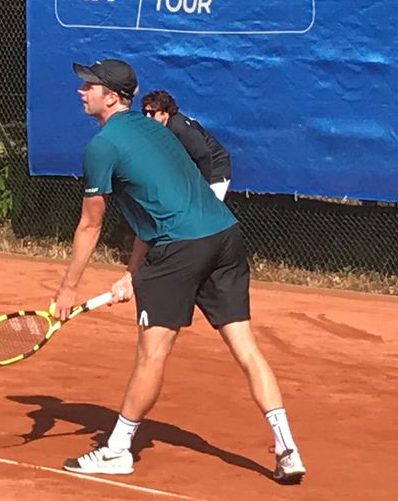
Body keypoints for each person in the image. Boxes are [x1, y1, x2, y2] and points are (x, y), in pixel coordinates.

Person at [53, 58, 305, 484]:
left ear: (110, 97)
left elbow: (90, 224)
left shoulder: (101, 147)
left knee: (152, 352)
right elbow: (153, 209)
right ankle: (287, 448)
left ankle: (117, 450)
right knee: (245, 349)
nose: (81, 91)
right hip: (223, 235)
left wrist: (67, 288)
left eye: (89, 86)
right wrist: (133, 272)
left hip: (180, 248)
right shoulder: (157, 128)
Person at [140, 89, 231, 201]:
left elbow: (204, 155)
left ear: (165, 112)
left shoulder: (180, 129)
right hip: (193, 173)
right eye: (145, 113)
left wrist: (203, 188)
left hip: (215, 169)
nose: (148, 117)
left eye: (152, 113)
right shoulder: (157, 128)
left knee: (208, 212)